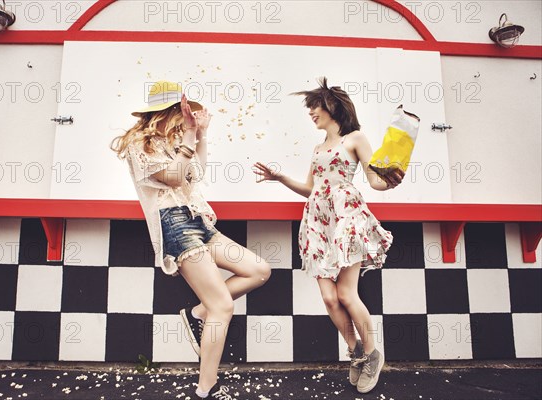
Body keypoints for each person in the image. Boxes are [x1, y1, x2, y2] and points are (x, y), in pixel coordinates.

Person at [111, 81, 271, 399]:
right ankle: (206, 387)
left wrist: (201, 135)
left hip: (198, 220)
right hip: (175, 225)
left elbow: (195, 173)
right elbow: (172, 177)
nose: (185, 118)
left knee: (258, 270)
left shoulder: (175, 142)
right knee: (223, 307)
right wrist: (188, 137)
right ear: (166, 112)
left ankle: (198, 313)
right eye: (180, 112)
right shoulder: (140, 146)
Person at [253, 77, 404, 394]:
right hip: (318, 221)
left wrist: (390, 181)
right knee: (329, 296)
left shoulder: (355, 139)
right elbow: (311, 188)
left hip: (346, 217)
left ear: (332, 105)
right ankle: (356, 352)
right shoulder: (318, 147)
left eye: (314, 106)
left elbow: (374, 181)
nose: (311, 113)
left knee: (347, 294)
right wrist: (280, 178)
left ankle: (373, 353)